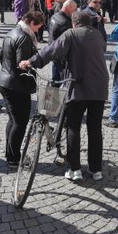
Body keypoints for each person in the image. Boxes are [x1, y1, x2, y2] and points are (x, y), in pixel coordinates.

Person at [20, 10, 108, 182]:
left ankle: (74, 169)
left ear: (74, 23)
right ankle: (96, 169)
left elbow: (51, 50)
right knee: (95, 128)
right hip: (99, 87)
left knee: (73, 127)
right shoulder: (98, 34)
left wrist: (30, 62)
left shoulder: (71, 34)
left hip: (78, 86)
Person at [0, 11, 45, 169]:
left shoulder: (12, 32)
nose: (38, 31)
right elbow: (22, 64)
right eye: (37, 27)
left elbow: (0, 57)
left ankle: (10, 154)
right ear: (31, 22)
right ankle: (14, 159)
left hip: (5, 80)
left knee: (13, 120)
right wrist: (29, 85)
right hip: (15, 85)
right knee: (20, 122)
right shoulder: (24, 37)